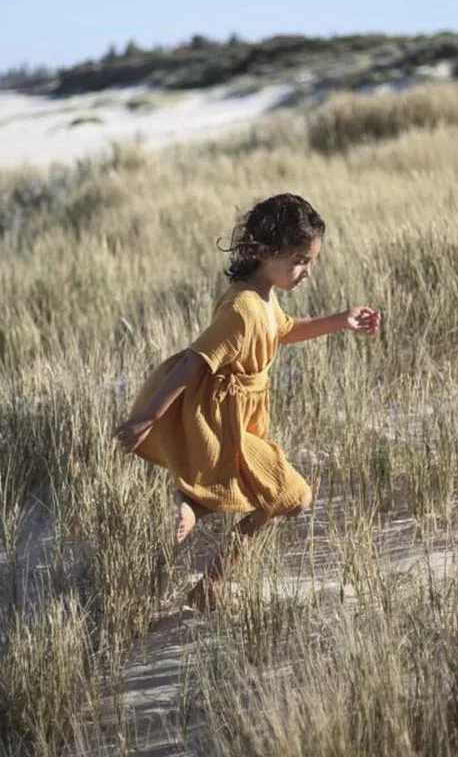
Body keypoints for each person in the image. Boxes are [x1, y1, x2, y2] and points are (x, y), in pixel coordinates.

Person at [115, 193, 380, 609]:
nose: (306, 271)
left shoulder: (262, 297)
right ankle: (206, 563)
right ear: (262, 251)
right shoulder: (243, 308)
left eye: (310, 260)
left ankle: (200, 548)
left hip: (239, 415)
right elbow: (192, 362)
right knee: (290, 494)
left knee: (261, 495)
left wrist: (340, 320)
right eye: (298, 259)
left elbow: (285, 329)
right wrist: (147, 417)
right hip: (221, 419)